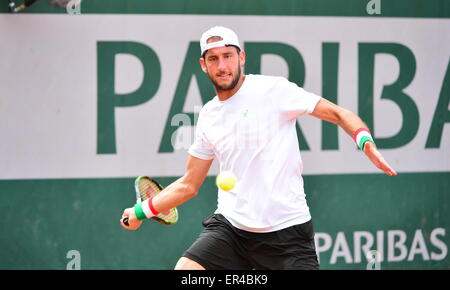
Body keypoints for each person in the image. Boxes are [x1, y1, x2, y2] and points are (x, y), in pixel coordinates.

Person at [120, 26, 397, 270]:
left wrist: (364, 141)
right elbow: (189, 184)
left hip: (287, 236)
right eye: (213, 59)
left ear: (241, 58)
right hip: (231, 230)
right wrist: (141, 211)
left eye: (228, 56)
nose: (222, 66)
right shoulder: (208, 115)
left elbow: (337, 113)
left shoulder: (273, 90)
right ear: (204, 65)